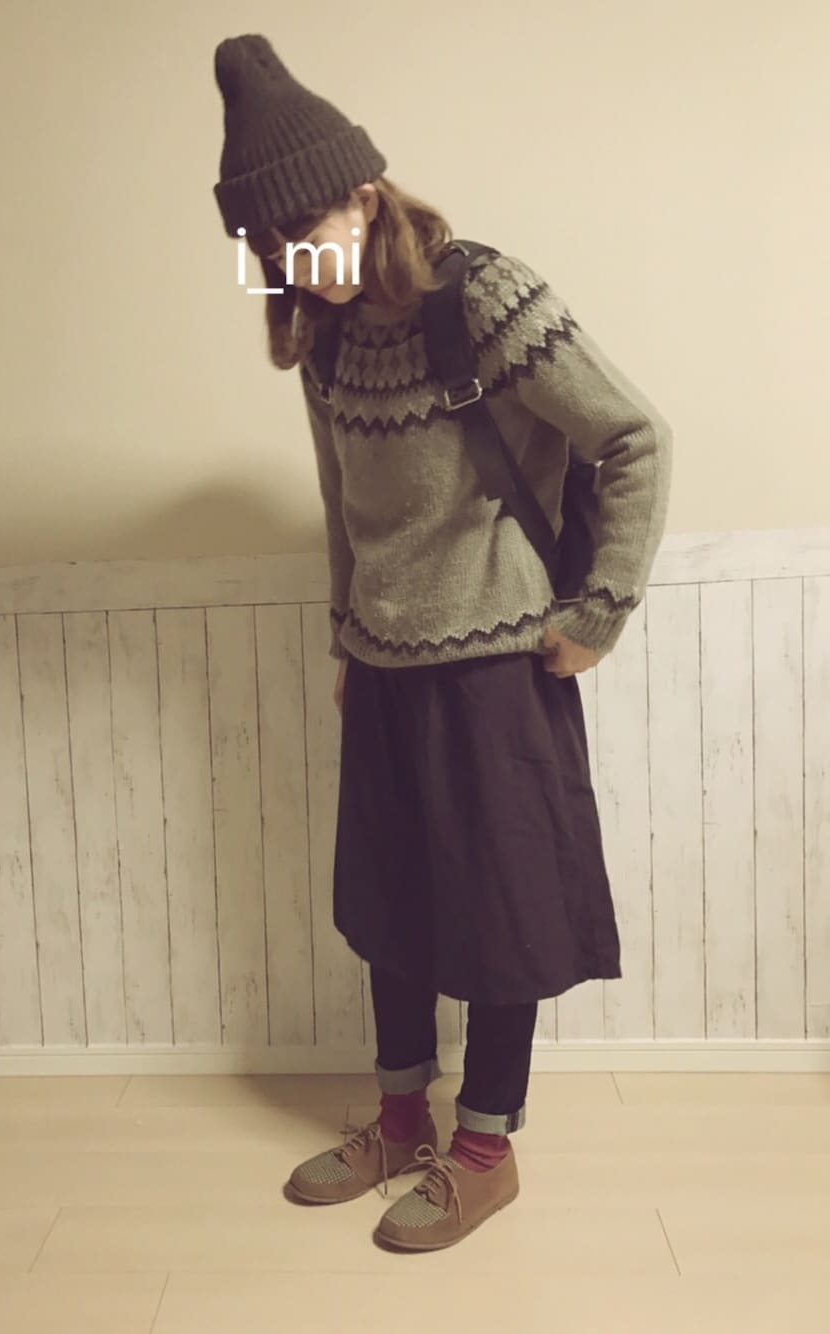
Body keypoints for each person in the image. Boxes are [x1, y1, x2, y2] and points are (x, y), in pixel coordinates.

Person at [212, 33, 672, 1253]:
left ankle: (483, 1150)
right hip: (383, 664)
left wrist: (598, 612)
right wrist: (344, 641)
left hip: (499, 668)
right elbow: (341, 506)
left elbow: (635, 437)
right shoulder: (322, 339)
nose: (287, 262)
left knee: (501, 913)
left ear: (364, 195)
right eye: (264, 247)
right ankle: (399, 1120)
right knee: (392, 906)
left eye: (298, 231)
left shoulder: (484, 299)